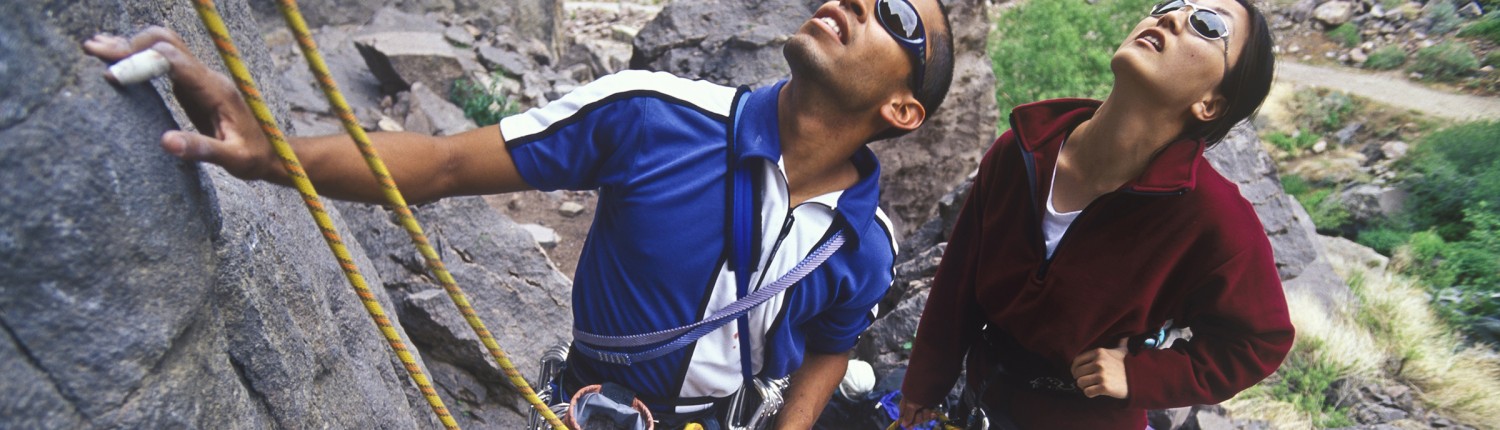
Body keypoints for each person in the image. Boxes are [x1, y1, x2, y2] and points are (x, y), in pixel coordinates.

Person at [84, 0, 955, 428]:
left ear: (903, 109)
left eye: (895, 16)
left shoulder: (864, 245)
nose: (855, 0)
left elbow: (832, 344)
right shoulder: (651, 117)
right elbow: (442, 165)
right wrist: (270, 150)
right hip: (593, 406)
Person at [895, 0, 1293, 429]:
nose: (1172, 17)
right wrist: (923, 386)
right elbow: (958, 280)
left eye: (1208, 25)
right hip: (982, 400)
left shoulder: (1213, 217)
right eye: (1171, 4)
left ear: (1210, 104)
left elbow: (1259, 341)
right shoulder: (1022, 152)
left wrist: (1139, 376)